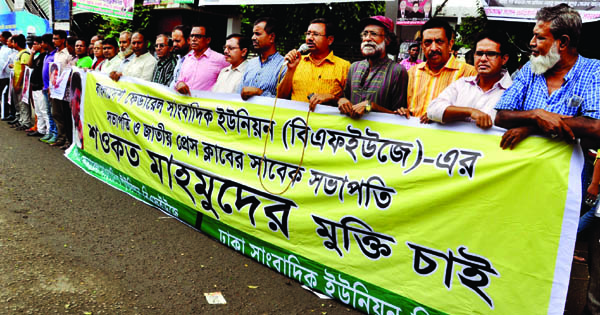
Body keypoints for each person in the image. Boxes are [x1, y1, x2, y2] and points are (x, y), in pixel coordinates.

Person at [491, 5, 600, 314]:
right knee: (512, 245)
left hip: (565, 186)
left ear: (562, 42)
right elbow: (501, 115)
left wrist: (529, 125)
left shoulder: (594, 71)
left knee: (553, 251)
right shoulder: (531, 69)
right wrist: (538, 116)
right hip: (517, 181)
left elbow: (595, 126)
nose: (532, 43)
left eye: (539, 37)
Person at [427, 30, 512, 128]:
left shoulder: (513, 90)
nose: (483, 59)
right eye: (479, 53)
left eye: (491, 54)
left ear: (504, 59)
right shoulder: (462, 84)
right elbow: (433, 110)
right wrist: (469, 112)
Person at [407, 18, 476, 122]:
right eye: (428, 42)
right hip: (413, 136)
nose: (433, 48)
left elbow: (474, 112)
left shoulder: (469, 74)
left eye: (439, 42)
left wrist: (439, 115)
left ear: (450, 44)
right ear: (422, 46)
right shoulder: (412, 73)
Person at [338, 16, 408, 118]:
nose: (367, 38)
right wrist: (342, 100)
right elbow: (346, 98)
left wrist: (371, 106)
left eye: (374, 34)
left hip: (378, 133)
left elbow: (399, 116)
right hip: (350, 131)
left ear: (387, 40)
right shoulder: (354, 67)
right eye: (365, 34)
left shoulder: (397, 71)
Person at [277, 18, 350, 111]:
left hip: (326, 124)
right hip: (296, 122)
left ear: (330, 40)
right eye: (308, 34)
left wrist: (333, 98)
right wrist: (290, 69)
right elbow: (280, 98)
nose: (309, 38)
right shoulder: (297, 62)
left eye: (315, 34)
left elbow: (350, 102)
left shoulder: (344, 66)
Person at [240, 17, 286, 100]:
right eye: (253, 34)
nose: (253, 37)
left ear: (271, 37)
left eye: (257, 34)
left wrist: (260, 93)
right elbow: (239, 93)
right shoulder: (250, 64)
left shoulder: (284, 66)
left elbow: (284, 101)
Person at [173, 25, 228, 94]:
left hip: (205, 103)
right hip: (185, 103)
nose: (193, 39)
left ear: (208, 40)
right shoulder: (187, 59)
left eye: (198, 36)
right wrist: (179, 84)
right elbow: (179, 81)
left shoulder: (220, 59)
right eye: (192, 36)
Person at [48, 30, 74, 148]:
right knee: (56, 113)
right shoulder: (56, 53)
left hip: (65, 90)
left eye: (56, 38)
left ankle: (68, 140)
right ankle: (60, 137)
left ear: (63, 40)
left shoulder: (68, 54)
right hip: (55, 89)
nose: (53, 41)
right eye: (53, 39)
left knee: (65, 115)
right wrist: (50, 86)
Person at [27, 36, 48, 137]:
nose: (33, 46)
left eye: (35, 44)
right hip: (34, 86)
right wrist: (32, 54)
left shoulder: (45, 56)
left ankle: (48, 131)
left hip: (41, 87)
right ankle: (40, 129)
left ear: (41, 44)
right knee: (38, 110)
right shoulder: (38, 56)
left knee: (44, 110)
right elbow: (29, 64)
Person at [39, 33, 57, 143]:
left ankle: (55, 133)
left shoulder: (55, 55)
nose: (41, 45)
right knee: (48, 112)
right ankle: (50, 132)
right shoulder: (47, 55)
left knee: (53, 112)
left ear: (47, 43)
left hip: (52, 89)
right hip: (45, 87)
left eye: (42, 42)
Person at [11, 34, 31, 131]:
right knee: (18, 104)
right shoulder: (19, 53)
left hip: (22, 84)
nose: (12, 44)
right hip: (16, 82)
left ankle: (26, 122)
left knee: (23, 104)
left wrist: (19, 83)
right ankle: (21, 120)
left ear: (16, 43)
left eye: (13, 42)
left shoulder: (24, 54)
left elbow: (23, 70)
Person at [0, 31, 12, 120]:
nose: (0, 39)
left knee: (5, 95)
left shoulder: (10, 49)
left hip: (7, 76)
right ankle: (2, 112)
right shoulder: (3, 47)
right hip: (1, 75)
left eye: (1, 37)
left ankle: (6, 112)